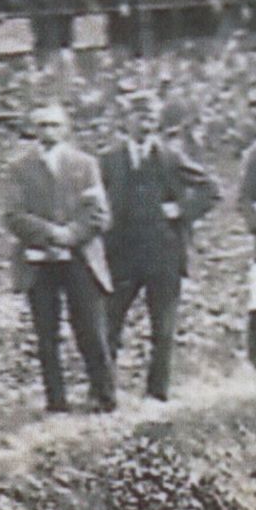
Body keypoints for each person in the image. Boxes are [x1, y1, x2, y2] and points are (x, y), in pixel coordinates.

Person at [5, 102, 116, 418]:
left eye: (54, 124)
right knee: (46, 334)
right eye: (41, 125)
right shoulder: (19, 168)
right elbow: (13, 215)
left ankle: (104, 397)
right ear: (33, 130)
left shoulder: (85, 165)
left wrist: (71, 235)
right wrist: (48, 234)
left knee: (91, 330)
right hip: (39, 261)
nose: (48, 131)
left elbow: (99, 214)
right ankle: (57, 402)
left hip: (80, 257)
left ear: (66, 128)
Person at [98, 104, 206, 406]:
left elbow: (210, 189)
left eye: (149, 116)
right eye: (137, 115)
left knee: (163, 329)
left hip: (164, 255)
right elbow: (91, 196)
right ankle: (106, 393)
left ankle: (157, 393)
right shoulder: (109, 160)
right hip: (121, 256)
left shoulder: (171, 157)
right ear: (125, 121)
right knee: (109, 325)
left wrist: (182, 210)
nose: (143, 122)